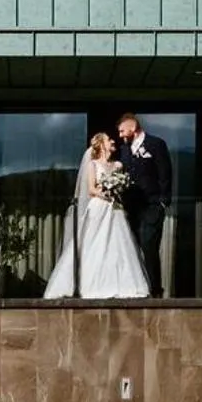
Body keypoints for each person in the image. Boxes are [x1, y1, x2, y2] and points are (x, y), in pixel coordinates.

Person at [43, 133, 151, 299]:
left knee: (118, 245)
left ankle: (120, 284)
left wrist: (116, 189)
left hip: (115, 209)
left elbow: (122, 185)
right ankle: (89, 284)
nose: (113, 141)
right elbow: (91, 189)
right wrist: (106, 193)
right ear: (101, 144)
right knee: (93, 244)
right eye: (109, 139)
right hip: (99, 208)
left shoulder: (117, 165)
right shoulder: (92, 165)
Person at [115, 113, 172, 297]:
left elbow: (165, 173)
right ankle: (137, 290)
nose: (121, 136)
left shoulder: (156, 144)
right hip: (131, 208)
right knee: (132, 248)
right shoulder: (124, 150)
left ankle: (155, 290)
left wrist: (163, 202)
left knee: (149, 246)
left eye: (123, 131)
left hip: (152, 205)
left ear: (133, 127)